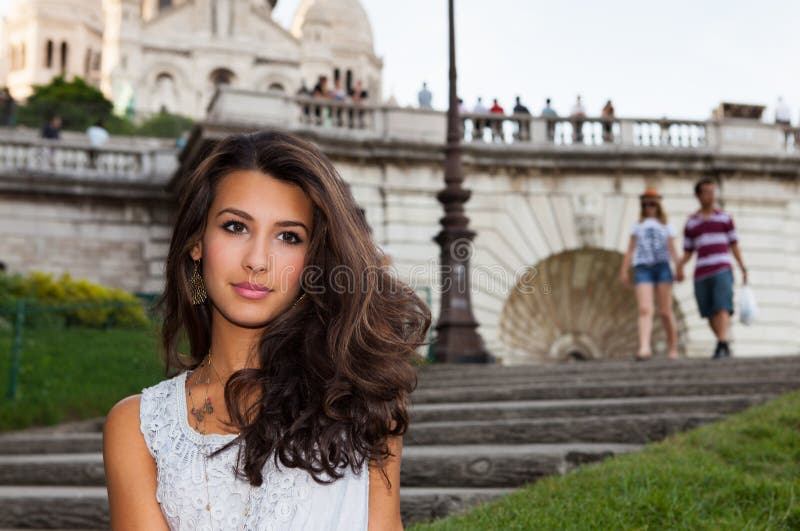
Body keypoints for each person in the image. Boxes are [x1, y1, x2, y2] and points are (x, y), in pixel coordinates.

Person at [103, 131, 431, 529]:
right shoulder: (139, 427)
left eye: (288, 237)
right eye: (235, 227)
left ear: (312, 261)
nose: (258, 260)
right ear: (197, 242)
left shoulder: (363, 403)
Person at [677, 178, 748, 359]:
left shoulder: (725, 218)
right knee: (708, 311)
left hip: (722, 267)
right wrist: (679, 266)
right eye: (706, 192)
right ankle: (722, 343)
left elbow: (734, 245)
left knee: (722, 306)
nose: (710, 196)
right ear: (698, 195)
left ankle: (721, 342)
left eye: (712, 191)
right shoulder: (692, 223)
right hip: (701, 270)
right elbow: (688, 250)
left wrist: (742, 266)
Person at [620, 189, 681, 361]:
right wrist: (624, 270)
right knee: (645, 309)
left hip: (662, 267)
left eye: (652, 204)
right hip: (643, 267)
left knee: (665, 311)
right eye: (645, 204)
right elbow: (630, 249)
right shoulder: (637, 226)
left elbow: (672, 249)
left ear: (658, 205)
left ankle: (673, 347)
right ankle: (644, 347)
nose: (648, 208)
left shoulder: (667, 226)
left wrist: (679, 267)